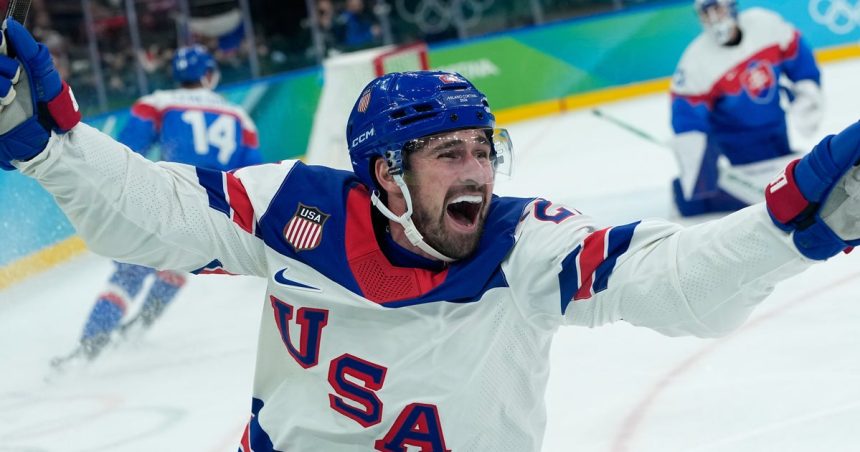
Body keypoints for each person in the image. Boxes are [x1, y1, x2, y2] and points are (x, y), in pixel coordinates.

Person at [2, 18, 860, 450]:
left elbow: (674, 281)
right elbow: (151, 210)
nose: (479, 171)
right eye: (450, 153)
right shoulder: (289, 212)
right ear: (383, 174)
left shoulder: (528, 250)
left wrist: (788, 230)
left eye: (484, 148)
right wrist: (51, 146)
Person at [65, 44, 263, 362]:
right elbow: (254, 173)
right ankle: (138, 329)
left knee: (130, 272)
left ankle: (89, 346)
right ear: (209, 75)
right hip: (209, 212)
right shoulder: (239, 116)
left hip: (162, 196)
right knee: (179, 265)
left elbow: (126, 152)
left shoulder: (158, 103)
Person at [670, 0, 823, 216]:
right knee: (772, 197)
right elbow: (686, 118)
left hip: (776, 126)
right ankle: (689, 195)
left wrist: (806, 94)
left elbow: (798, 55)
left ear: (731, 6)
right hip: (737, 142)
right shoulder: (695, 61)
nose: (714, 18)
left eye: (718, 9)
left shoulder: (764, 24)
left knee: (789, 185)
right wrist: (696, 168)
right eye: (706, 13)